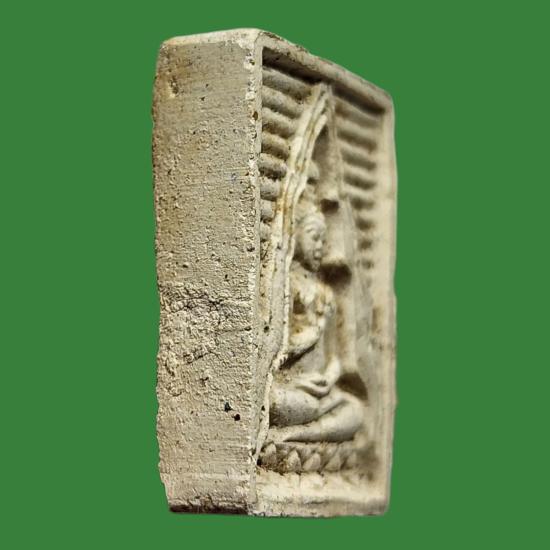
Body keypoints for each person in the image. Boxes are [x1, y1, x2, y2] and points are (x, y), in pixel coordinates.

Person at [268, 209, 363, 443]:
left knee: (355, 410)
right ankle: (302, 432)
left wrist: (328, 380)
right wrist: (296, 382)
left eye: (323, 240)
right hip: (292, 389)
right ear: (294, 233)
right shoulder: (287, 286)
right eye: (313, 237)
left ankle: (301, 434)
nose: (319, 246)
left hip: (318, 391)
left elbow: (334, 357)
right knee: (273, 402)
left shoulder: (325, 294)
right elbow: (276, 349)